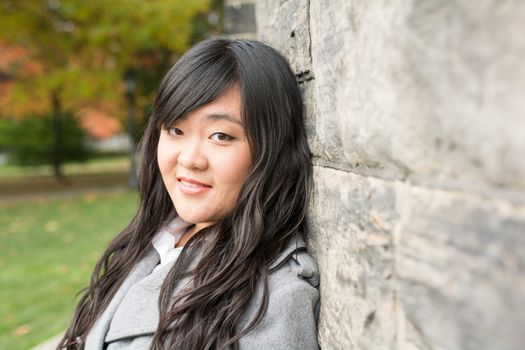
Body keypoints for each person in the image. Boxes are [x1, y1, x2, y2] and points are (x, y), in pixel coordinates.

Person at [58, 38, 320, 350]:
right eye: (175, 130)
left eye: (220, 136)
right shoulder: (152, 242)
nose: (189, 159)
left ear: (271, 150)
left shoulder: (275, 300)